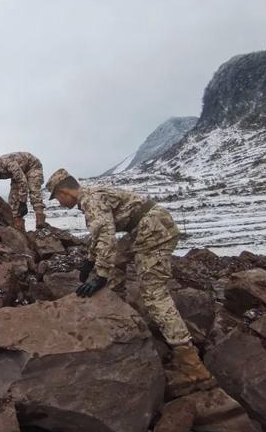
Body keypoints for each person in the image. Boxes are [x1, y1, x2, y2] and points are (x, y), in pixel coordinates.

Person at [45, 168, 215, 397]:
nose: (59, 203)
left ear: (64, 191)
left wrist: (100, 275)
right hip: (144, 227)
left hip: (154, 230)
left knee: (154, 293)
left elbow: (106, 235)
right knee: (116, 264)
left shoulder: (91, 200)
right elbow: (100, 235)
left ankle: (192, 365)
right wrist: (89, 261)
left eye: (57, 198)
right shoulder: (91, 197)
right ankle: (118, 314)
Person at [0, 152, 48, 230]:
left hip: (32, 167)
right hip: (18, 174)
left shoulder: (8, 163)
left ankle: (40, 222)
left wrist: (22, 202)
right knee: (13, 200)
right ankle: (19, 228)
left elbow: (22, 181)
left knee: (34, 191)